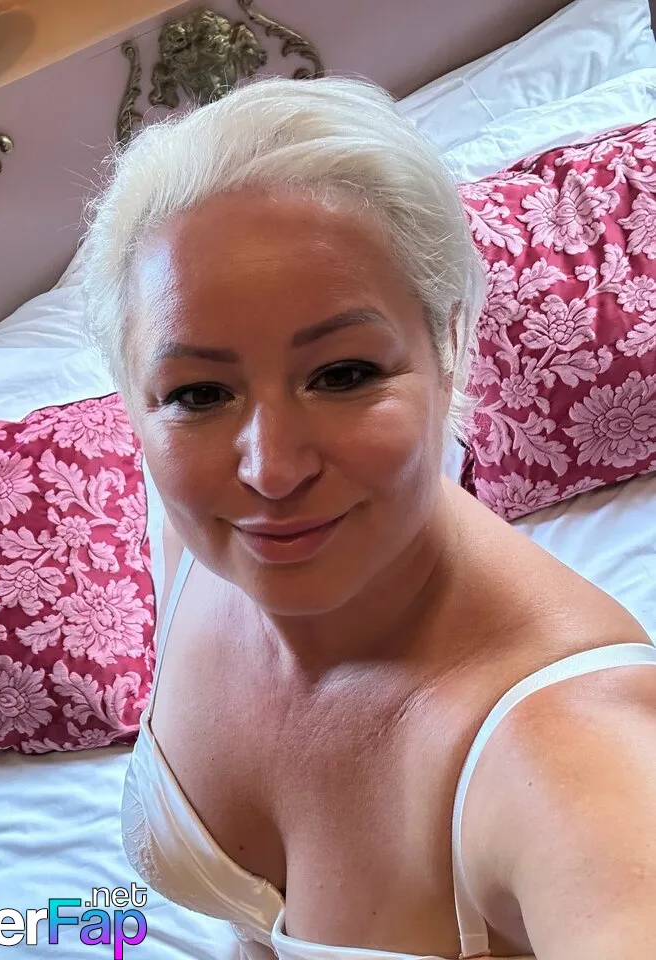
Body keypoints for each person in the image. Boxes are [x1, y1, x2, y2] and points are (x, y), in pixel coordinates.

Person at [83, 76, 656, 960]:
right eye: (199, 393)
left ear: (449, 346)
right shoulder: (194, 532)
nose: (269, 471)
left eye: (343, 374)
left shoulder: (575, 752)